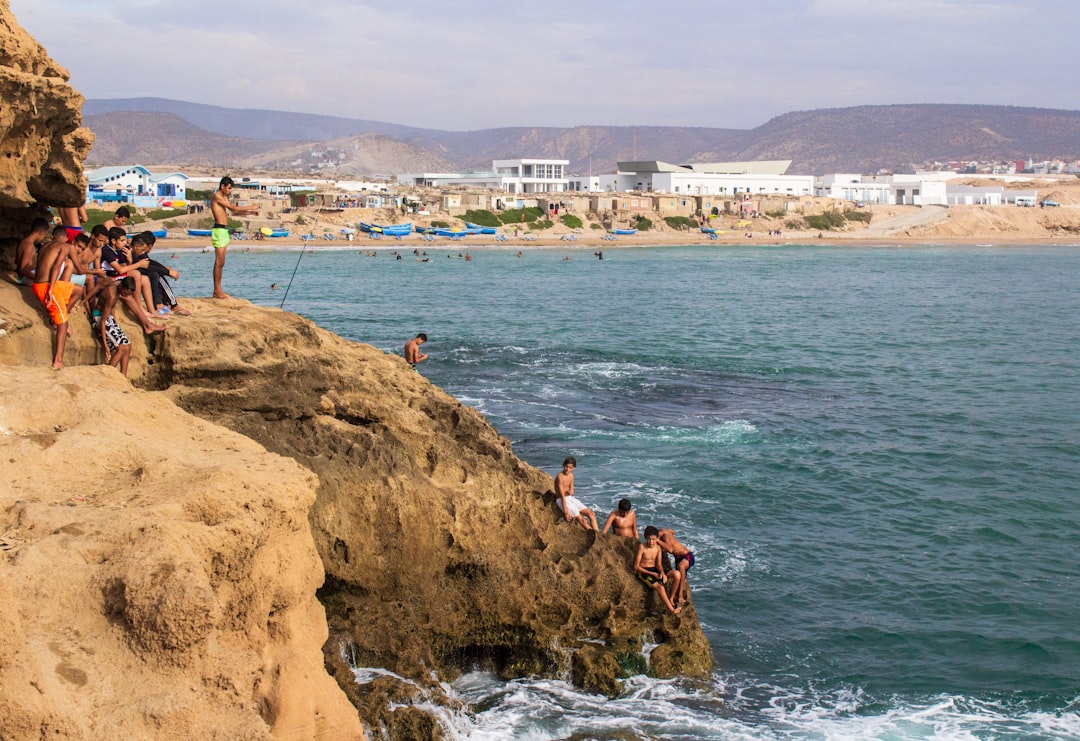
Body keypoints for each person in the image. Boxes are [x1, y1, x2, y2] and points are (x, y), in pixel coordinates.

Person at [29, 227, 76, 369]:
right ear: (66, 237)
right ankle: (58, 360)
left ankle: (56, 316)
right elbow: (56, 267)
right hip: (46, 287)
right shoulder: (65, 246)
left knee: (76, 290)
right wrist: (50, 289)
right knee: (63, 324)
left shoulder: (45, 246)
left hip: (37, 285)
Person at [210, 176, 259, 298]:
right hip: (219, 230)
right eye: (229, 188)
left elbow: (234, 212)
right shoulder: (217, 196)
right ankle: (217, 290)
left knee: (222, 263)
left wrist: (251, 213)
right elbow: (234, 208)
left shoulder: (224, 198)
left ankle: (218, 290)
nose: (230, 191)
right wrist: (251, 207)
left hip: (224, 231)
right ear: (223, 186)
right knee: (218, 262)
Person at [634, 526, 681, 615]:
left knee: (677, 574)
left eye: (653, 539)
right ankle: (672, 610)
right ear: (645, 537)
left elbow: (659, 564)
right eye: (649, 539)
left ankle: (671, 598)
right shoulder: (642, 547)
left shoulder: (658, 548)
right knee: (661, 588)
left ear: (657, 539)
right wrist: (652, 574)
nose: (651, 542)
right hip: (644, 572)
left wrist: (662, 573)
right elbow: (636, 567)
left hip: (655, 570)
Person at [98, 276, 134, 376]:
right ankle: (109, 375)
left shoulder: (118, 288)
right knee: (122, 347)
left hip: (108, 318)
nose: (126, 296)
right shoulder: (112, 295)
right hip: (99, 317)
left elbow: (112, 308)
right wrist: (106, 346)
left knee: (128, 345)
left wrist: (115, 324)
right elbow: (102, 321)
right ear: (122, 287)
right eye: (126, 293)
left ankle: (123, 376)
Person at [553, 456, 599, 531]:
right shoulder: (560, 477)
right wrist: (566, 512)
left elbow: (572, 491)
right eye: (566, 466)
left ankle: (599, 534)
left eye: (570, 467)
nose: (567, 469)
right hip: (561, 499)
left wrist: (570, 491)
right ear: (563, 465)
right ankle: (596, 536)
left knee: (591, 514)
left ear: (574, 468)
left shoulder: (571, 476)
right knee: (583, 520)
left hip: (570, 498)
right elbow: (562, 496)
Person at [657, 527, 695, 606]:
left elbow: (670, 549)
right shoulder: (666, 531)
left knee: (681, 567)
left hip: (686, 556)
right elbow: (673, 531)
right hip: (678, 558)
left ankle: (680, 595)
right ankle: (676, 593)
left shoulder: (665, 537)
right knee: (680, 576)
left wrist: (658, 541)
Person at [16, 218, 50, 285]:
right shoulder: (28, 246)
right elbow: (23, 269)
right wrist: (37, 278)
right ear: (41, 232)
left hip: (26, 276)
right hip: (26, 278)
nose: (43, 238)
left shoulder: (24, 241)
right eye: (44, 235)